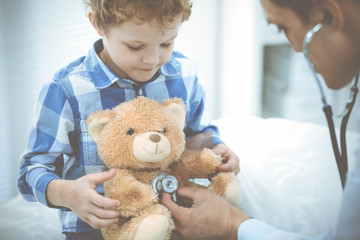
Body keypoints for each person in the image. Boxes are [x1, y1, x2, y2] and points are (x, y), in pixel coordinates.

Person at [17, 0, 240, 239]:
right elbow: (32, 169)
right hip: (99, 224)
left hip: (175, 216)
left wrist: (217, 148)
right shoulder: (66, 89)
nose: (152, 60)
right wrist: (65, 194)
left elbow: (198, 132)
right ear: (98, 23)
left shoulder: (184, 74)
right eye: (135, 46)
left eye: (166, 43)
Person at [161, 0, 360, 239]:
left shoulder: (184, 74)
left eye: (282, 27)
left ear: (330, 14)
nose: (295, 48)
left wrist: (231, 224)